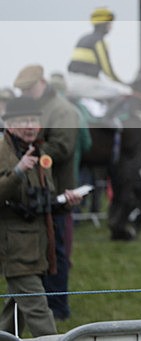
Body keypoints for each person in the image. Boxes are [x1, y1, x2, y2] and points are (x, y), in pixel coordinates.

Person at [0, 97, 81, 337]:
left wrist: (65, 201)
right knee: (39, 312)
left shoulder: (39, 153)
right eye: (23, 120)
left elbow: (42, 200)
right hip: (14, 248)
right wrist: (18, 171)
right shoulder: (4, 153)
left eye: (34, 120)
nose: (30, 126)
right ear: (9, 125)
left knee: (15, 311)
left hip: (38, 247)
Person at [13, 64, 81, 320]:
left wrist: (28, 152)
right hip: (42, 192)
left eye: (28, 89)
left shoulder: (61, 110)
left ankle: (57, 308)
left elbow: (63, 147)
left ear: (41, 83)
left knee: (55, 252)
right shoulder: (45, 108)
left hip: (57, 191)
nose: (25, 94)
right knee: (45, 251)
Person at [67, 7, 132, 101]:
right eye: (109, 24)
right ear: (104, 25)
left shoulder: (83, 38)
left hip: (71, 81)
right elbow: (107, 70)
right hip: (87, 83)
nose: (111, 27)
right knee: (123, 92)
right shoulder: (99, 42)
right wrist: (123, 83)